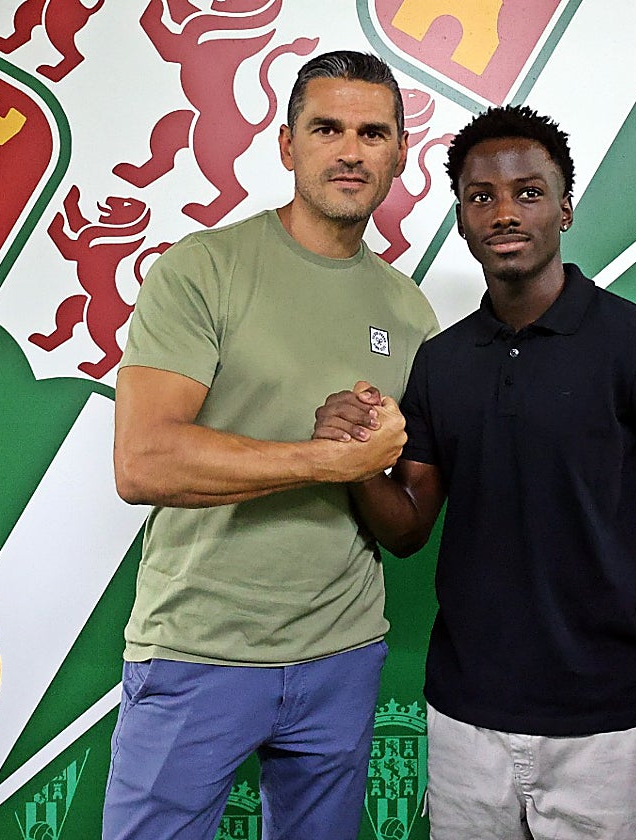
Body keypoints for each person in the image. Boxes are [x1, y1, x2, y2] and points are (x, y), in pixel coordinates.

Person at [314, 105, 636, 840]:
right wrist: (349, 460)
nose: (504, 211)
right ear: (461, 218)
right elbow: (408, 525)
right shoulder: (442, 362)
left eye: (529, 192)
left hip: (610, 730)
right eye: (482, 196)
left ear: (566, 208)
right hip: (464, 725)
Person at [103, 51, 439, 840]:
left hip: (342, 656)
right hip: (196, 651)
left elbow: (406, 523)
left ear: (397, 154)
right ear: (288, 145)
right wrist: (328, 459)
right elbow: (142, 461)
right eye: (327, 128)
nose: (349, 150)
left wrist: (359, 463)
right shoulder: (202, 270)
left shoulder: (411, 312)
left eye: (372, 132)